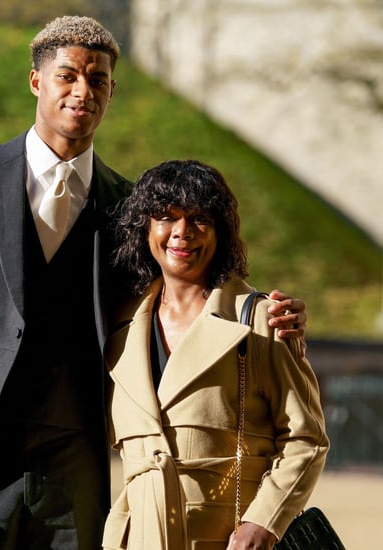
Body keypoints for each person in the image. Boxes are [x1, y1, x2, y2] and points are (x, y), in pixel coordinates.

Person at [0, 16, 308, 550]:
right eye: (67, 76)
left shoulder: (130, 207)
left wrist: (267, 311)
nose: (83, 91)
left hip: (72, 468)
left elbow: (187, 279)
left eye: (97, 80)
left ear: (111, 90)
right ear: (37, 81)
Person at [102, 160, 329, 550]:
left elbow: (306, 439)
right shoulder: (118, 327)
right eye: (165, 217)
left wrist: (264, 523)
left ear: (220, 231)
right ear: (145, 229)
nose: (182, 233)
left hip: (226, 540)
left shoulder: (261, 320)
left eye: (199, 219)